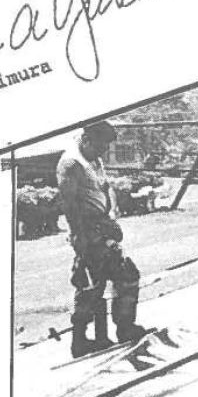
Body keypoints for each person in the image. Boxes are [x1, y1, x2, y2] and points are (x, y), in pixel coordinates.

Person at [57, 121, 149, 358]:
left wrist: (111, 219)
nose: (103, 151)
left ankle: (124, 328)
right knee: (90, 286)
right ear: (87, 140)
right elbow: (69, 205)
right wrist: (81, 238)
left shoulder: (93, 159)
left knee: (126, 275)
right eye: (100, 145)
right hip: (88, 230)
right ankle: (80, 340)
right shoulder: (71, 163)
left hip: (102, 227)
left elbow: (105, 188)